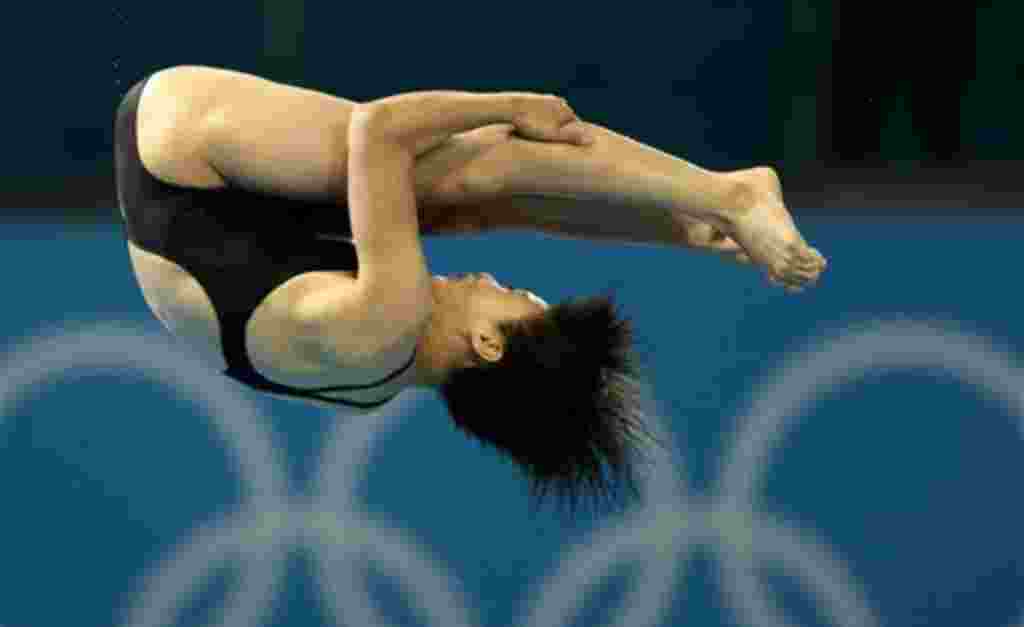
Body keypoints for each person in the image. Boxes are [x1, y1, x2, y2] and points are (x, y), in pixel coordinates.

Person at [115, 65, 825, 515]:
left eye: (517, 297)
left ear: (487, 342)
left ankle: (730, 190)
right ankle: (714, 204)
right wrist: (676, 231)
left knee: (491, 156)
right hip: (224, 213)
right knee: (470, 195)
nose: (496, 279)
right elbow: (504, 208)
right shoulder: (380, 378)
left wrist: (514, 103)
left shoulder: (384, 320)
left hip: (178, 146)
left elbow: (381, 128)